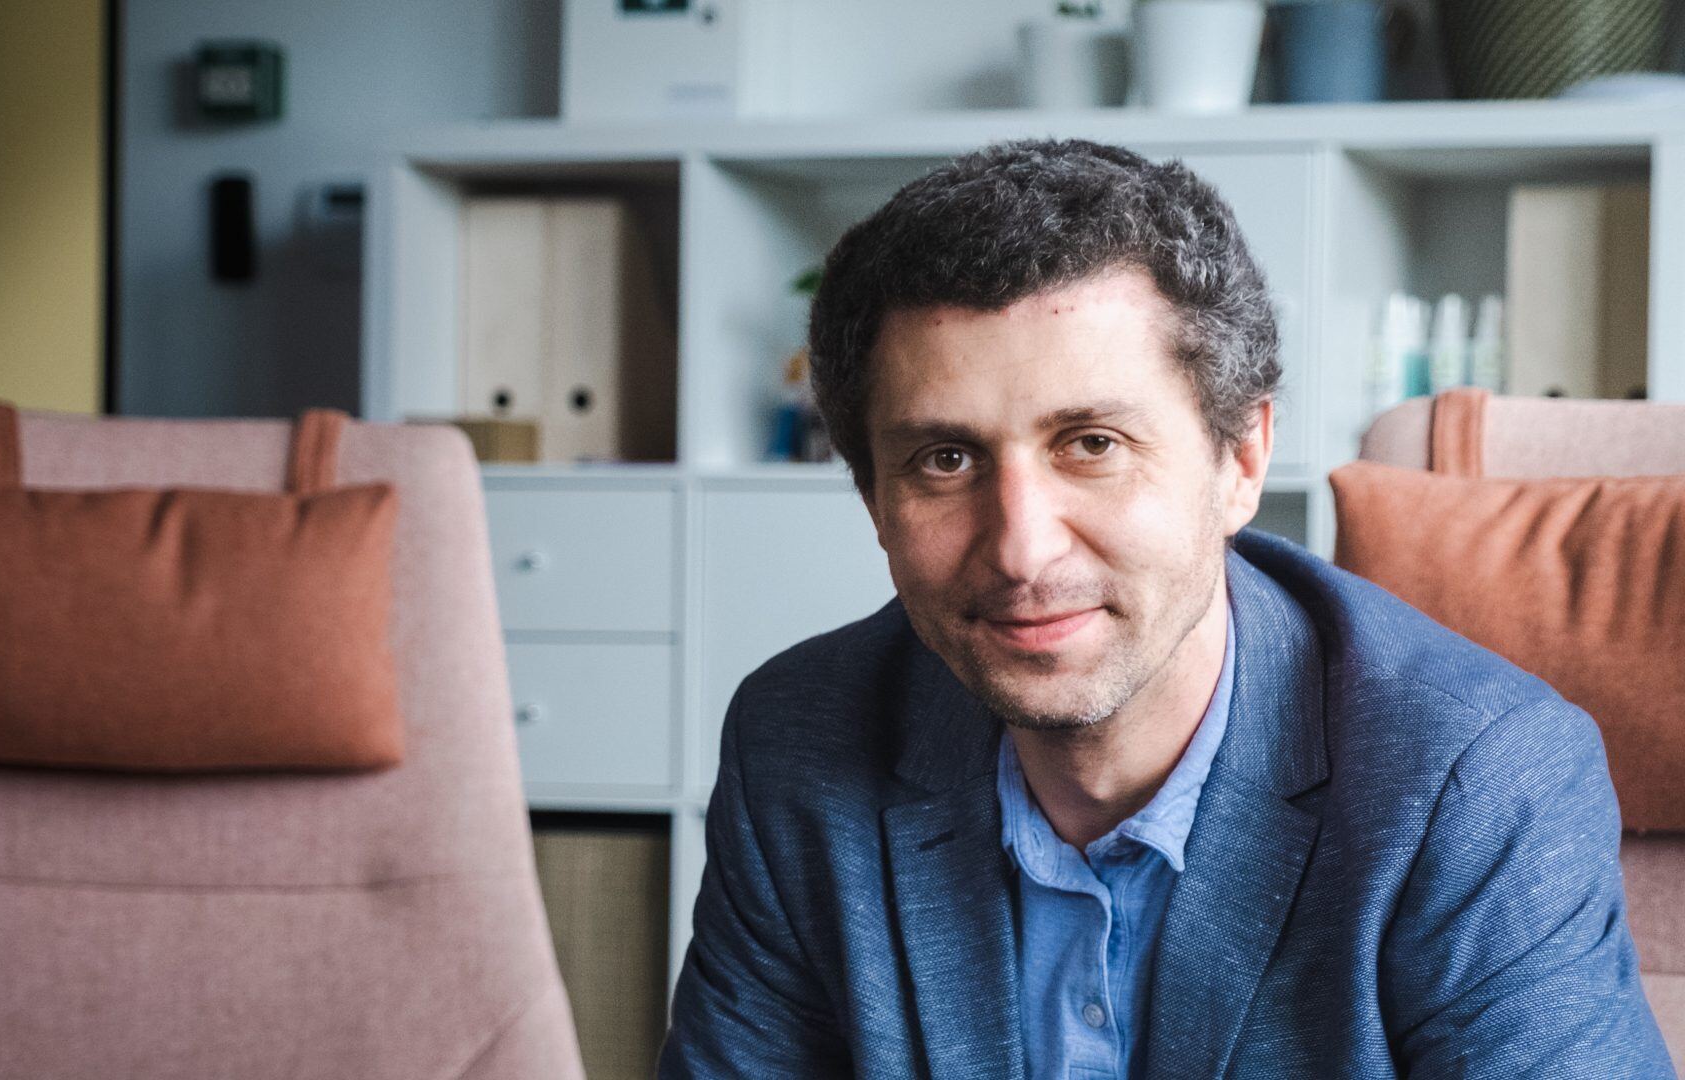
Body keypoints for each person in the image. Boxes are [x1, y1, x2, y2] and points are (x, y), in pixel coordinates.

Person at [656, 139, 1672, 1079]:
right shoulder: (799, 741)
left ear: (1241, 461)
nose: (1021, 549)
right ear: (875, 499)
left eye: (1092, 444)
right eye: (946, 459)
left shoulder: (1475, 783)